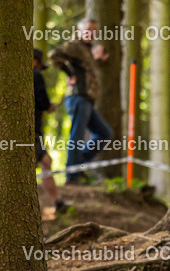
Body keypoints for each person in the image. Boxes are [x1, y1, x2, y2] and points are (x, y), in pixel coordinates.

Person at [49, 17, 113, 185]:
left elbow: (85, 69)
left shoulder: (86, 50)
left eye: (94, 31)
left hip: (87, 100)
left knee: (105, 133)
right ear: (79, 31)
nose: (91, 33)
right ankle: (72, 175)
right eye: (88, 30)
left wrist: (97, 61)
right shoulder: (75, 45)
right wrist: (70, 74)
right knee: (76, 135)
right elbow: (54, 55)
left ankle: (77, 164)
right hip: (78, 97)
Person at [33, 48, 67, 215]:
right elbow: (42, 101)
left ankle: (57, 201)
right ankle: (54, 202)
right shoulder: (36, 76)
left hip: (32, 130)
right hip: (32, 131)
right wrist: (49, 106)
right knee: (45, 162)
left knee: (46, 162)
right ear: (35, 61)